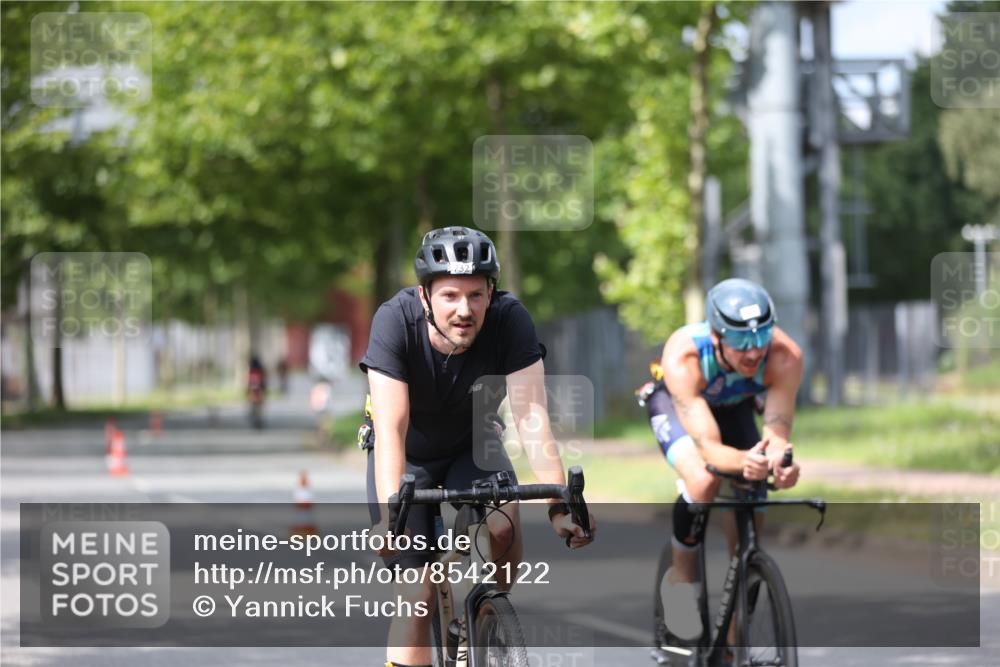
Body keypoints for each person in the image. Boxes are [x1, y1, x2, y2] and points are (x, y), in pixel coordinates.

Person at [360, 226, 596, 667]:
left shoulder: (511, 321)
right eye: (450, 295)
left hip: (474, 443)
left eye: (475, 295)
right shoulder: (394, 322)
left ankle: (487, 615)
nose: (464, 310)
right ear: (425, 296)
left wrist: (558, 505)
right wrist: (392, 516)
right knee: (416, 595)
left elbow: (530, 416)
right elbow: (392, 425)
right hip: (408, 455)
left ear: (491, 292)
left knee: (504, 525)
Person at [639, 278, 802, 642]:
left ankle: (733, 642)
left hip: (734, 407)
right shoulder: (685, 356)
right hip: (681, 409)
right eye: (741, 342)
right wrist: (744, 461)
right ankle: (681, 586)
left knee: (751, 522)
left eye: (761, 339)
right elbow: (709, 449)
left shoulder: (784, 355)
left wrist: (781, 464)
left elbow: (776, 435)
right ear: (716, 337)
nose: (753, 352)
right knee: (703, 480)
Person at [247, 355, 267, 429]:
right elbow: (264, 382)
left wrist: (247, 390)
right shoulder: (261, 370)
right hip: (259, 391)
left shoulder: (251, 371)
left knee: (254, 405)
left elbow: (249, 382)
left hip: (253, 391)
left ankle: (255, 418)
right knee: (259, 407)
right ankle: (259, 420)